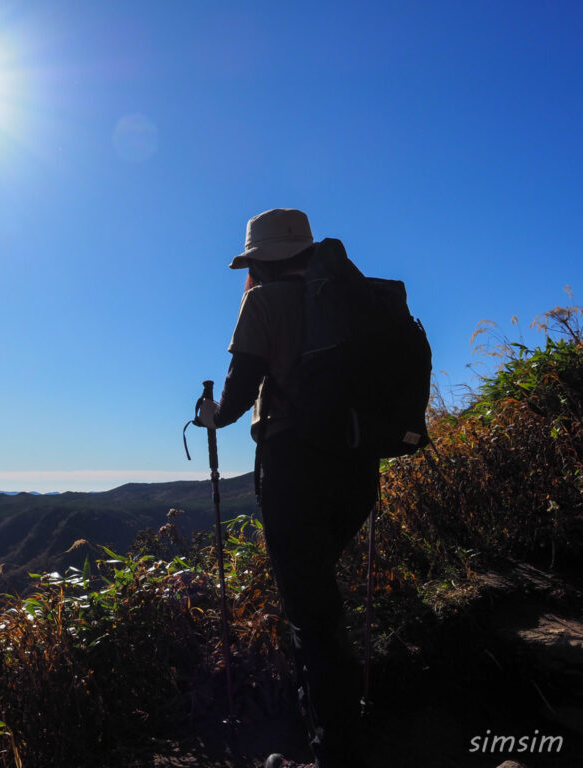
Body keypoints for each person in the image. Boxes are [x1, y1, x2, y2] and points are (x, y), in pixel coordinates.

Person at [197, 208, 378, 768]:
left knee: (312, 616)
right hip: (357, 466)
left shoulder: (264, 301)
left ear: (260, 261)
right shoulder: (354, 296)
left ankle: (334, 754)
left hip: (294, 468)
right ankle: (334, 718)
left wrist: (210, 415)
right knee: (320, 604)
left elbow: (234, 397)